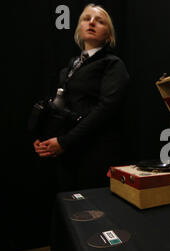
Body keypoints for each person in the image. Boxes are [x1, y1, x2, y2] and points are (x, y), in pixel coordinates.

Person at [33, 4, 130, 191]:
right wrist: (45, 137)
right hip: (69, 156)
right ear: (79, 28)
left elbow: (105, 110)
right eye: (86, 19)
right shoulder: (71, 66)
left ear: (108, 35)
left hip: (97, 154)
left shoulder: (112, 64)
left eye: (100, 21)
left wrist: (64, 141)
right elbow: (60, 109)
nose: (92, 22)